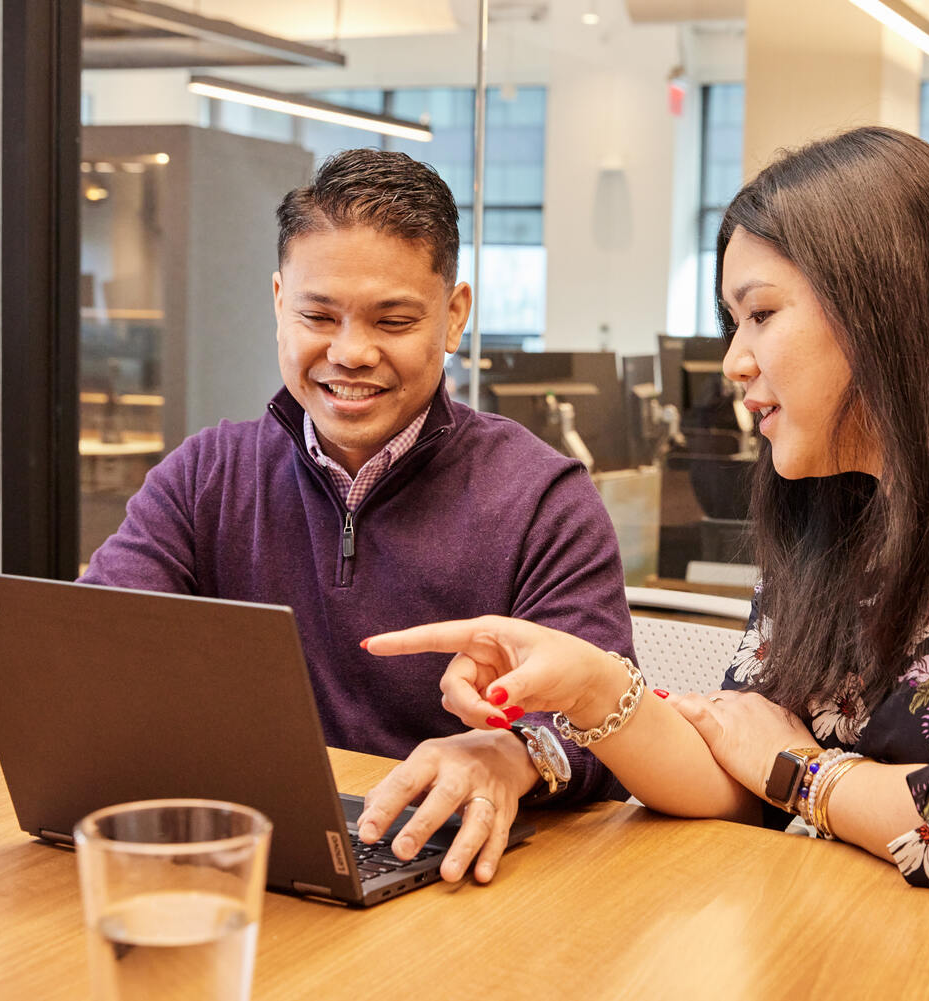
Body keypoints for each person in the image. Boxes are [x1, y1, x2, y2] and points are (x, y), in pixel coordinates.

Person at [365, 128, 929, 1000]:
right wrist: (593, 687)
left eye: (760, 314)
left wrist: (807, 774)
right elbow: (737, 765)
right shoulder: (845, 491)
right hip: (883, 954)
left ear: (886, 303)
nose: (733, 361)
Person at [82, 148, 634, 885]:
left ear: (454, 315)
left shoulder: (544, 498)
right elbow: (89, 647)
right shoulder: (205, 475)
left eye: (394, 319)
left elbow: (609, 724)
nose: (350, 352)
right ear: (279, 301)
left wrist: (511, 754)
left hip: (460, 875)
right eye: (318, 315)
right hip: (247, 859)